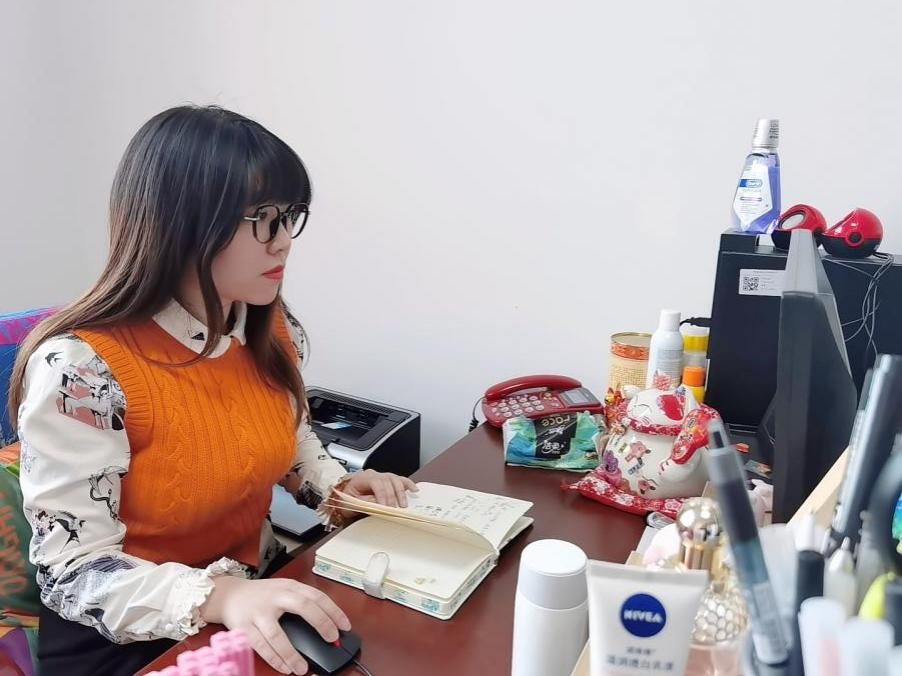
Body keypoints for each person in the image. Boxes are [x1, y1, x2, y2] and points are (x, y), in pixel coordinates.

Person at [8, 105, 417, 676]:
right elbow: (72, 573)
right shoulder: (83, 370)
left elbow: (288, 441)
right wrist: (219, 597)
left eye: (290, 216)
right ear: (180, 223)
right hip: (131, 635)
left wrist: (338, 488)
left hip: (255, 593)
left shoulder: (268, 328)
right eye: (262, 218)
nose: (283, 242)